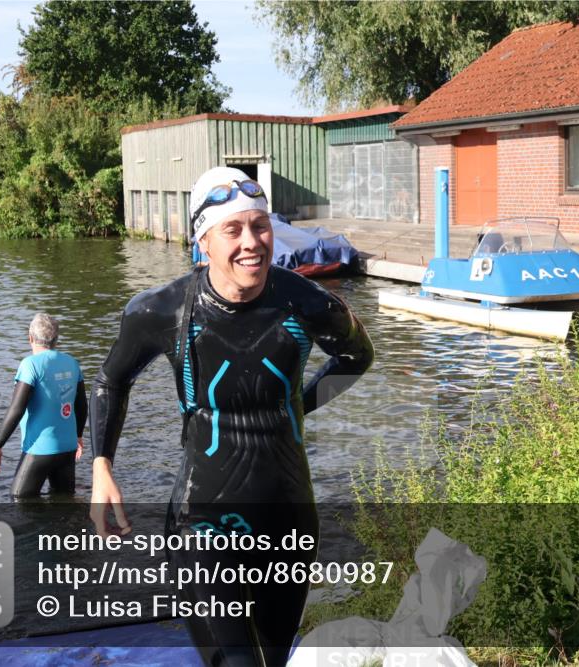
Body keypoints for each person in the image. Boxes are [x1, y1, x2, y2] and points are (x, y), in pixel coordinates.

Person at [89, 166, 374, 666]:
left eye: (260, 225)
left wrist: (297, 407)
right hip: (204, 520)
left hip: (288, 517)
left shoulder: (307, 302)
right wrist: (101, 466)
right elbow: (112, 380)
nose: (252, 243)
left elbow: (356, 358)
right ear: (203, 242)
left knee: (273, 658)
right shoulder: (160, 311)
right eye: (233, 229)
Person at [0, 313, 87, 498]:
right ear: (56, 339)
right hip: (67, 448)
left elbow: (17, 409)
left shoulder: (30, 365)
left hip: (39, 449)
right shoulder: (72, 363)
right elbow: (81, 405)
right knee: (63, 503)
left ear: (30, 337)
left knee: (19, 500)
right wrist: (79, 436)